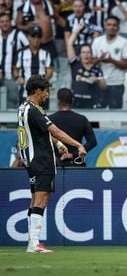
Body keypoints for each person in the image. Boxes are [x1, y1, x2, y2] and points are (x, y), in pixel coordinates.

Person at [18, 75, 86, 253]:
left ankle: (32, 242)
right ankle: (34, 244)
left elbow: (44, 133)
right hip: (41, 160)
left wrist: (59, 144)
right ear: (38, 90)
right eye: (45, 91)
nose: (47, 95)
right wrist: (77, 145)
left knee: (35, 199)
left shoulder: (23, 108)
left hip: (30, 160)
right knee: (42, 198)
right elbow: (54, 130)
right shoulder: (35, 110)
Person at [49, 88, 97, 167]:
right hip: (77, 163)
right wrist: (73, 154)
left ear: (58, 101)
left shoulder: (49, 120)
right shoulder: (82, 119)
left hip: (55, 163)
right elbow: (92, 142)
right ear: (72, 101)